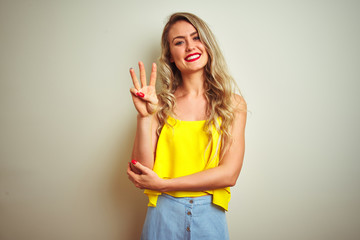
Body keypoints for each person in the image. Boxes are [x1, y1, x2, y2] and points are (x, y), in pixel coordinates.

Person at [127, 12, 247, 240]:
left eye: (196, 37)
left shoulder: (233, 104)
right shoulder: (158, 104)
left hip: (210, 216)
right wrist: (144, 117)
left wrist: (164, 184)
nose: (190, 47)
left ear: (207, 45)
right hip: (162, 215)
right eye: (179, 42)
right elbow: (141, 171)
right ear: (171, 55)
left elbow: (229, 174)